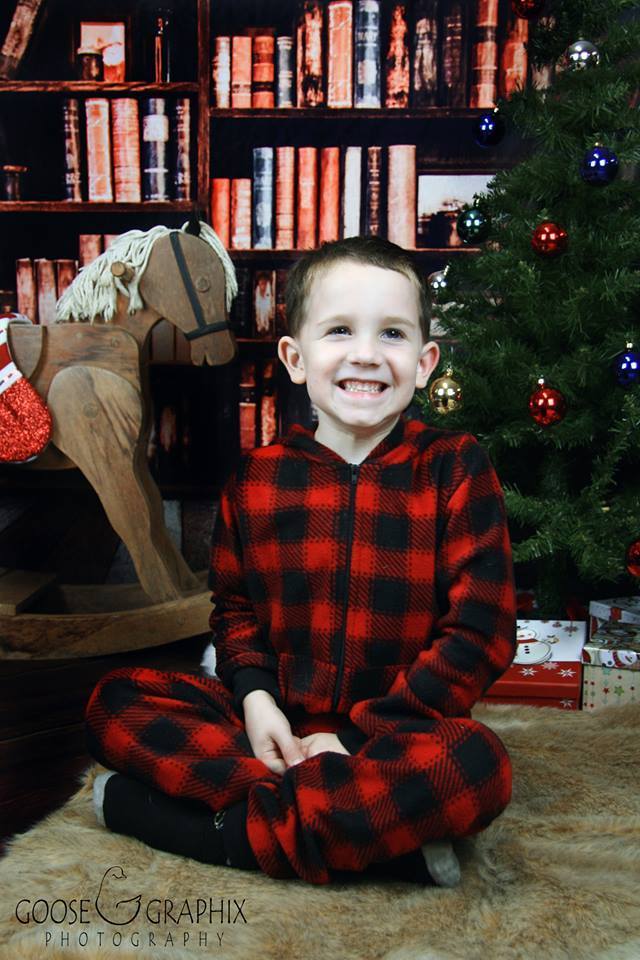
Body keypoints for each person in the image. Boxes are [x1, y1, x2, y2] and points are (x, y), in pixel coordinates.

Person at [85, 235, 517, 887]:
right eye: (340, 330)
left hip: (396, 736)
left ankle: (217, 834)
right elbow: (235, 614)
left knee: (477, 765)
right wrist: (257, 703)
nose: (366, 354)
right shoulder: (257, 480)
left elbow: (480, 634)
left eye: (392, 334)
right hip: (276, 728)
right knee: (116, 701)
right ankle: (370, 838)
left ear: (425, 362)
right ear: (296, 357)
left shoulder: (455, 467)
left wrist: (359, 739)